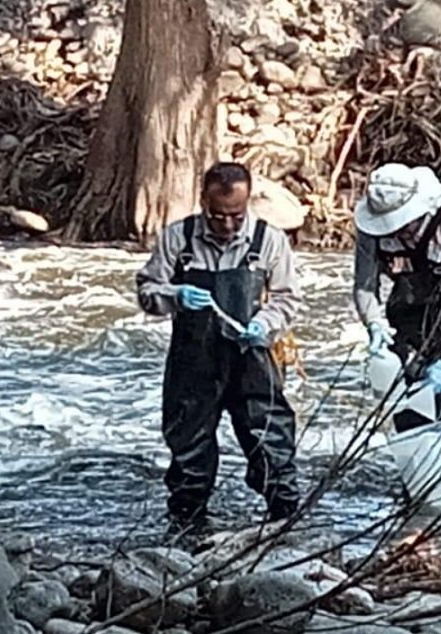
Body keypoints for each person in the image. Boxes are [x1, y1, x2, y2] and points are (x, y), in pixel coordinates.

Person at [136, 162, 301, 526]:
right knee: (189, 456)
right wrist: (175, 295)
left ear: (248, 203)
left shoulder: (269, 240)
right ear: (203, 202)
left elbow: (288, 299)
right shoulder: (177, 238)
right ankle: (186, 529)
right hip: (194, 364)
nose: (227, 225)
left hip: (252, 360)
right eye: (218, 215)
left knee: (272, 445)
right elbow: (147, 292)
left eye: (236, 216)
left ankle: (287, 526)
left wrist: (263, 324)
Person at [352, 162, 441, 430]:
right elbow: (364, 285)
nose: (392, 233)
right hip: (410, 300)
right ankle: (411, 448)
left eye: (399, 225)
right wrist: (373, 322)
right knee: (409, 395)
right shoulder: (370, 227)